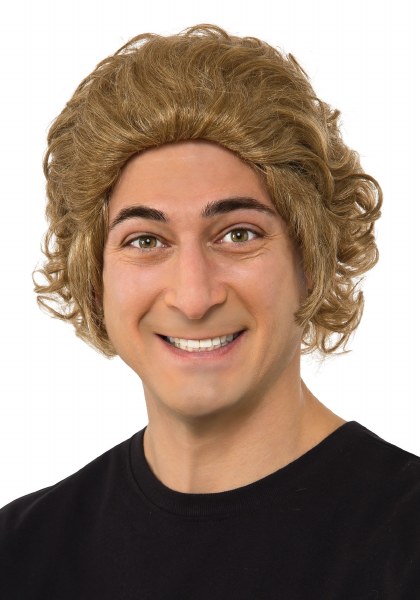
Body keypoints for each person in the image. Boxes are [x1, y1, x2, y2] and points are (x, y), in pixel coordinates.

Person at [1, 23, 419, 599]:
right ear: (94, 276)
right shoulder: (21, 555)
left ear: (312, 259)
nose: (194, 297)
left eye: (238, 234)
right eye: (146, 240)